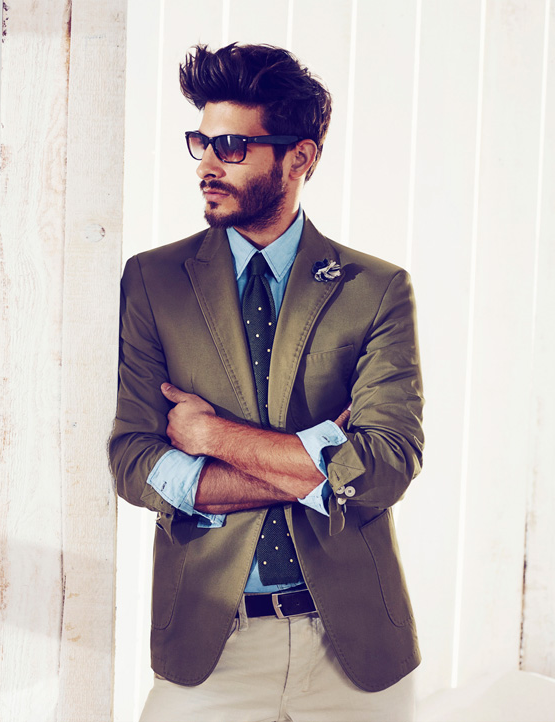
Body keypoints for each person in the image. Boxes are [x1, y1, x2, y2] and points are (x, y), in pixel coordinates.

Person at [108, 43, 423, 721]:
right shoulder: (154, 282)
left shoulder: (375, 289)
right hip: (212, 645)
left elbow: (387, 465)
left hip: (356, 650)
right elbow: (132, 460)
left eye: (230, 146)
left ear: (299, 157)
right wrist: (315, 467)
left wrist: (210, 437)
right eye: (200, 142)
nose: (206, 164)